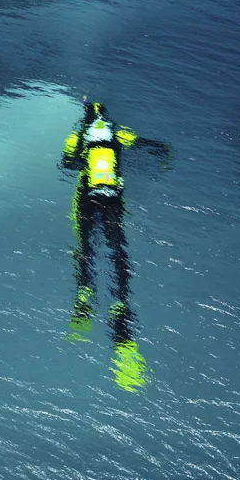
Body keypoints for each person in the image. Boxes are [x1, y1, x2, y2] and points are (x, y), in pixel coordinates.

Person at [61, 96, 173, 392]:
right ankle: (121, 307)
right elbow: (147, 145)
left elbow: (67, 164)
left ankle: (84, 295)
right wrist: (164, 154)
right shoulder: (117, 132)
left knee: (86, 248)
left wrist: (81, 155)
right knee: (116, 251)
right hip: (113, 197)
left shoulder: (78, 135)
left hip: (87, 197)